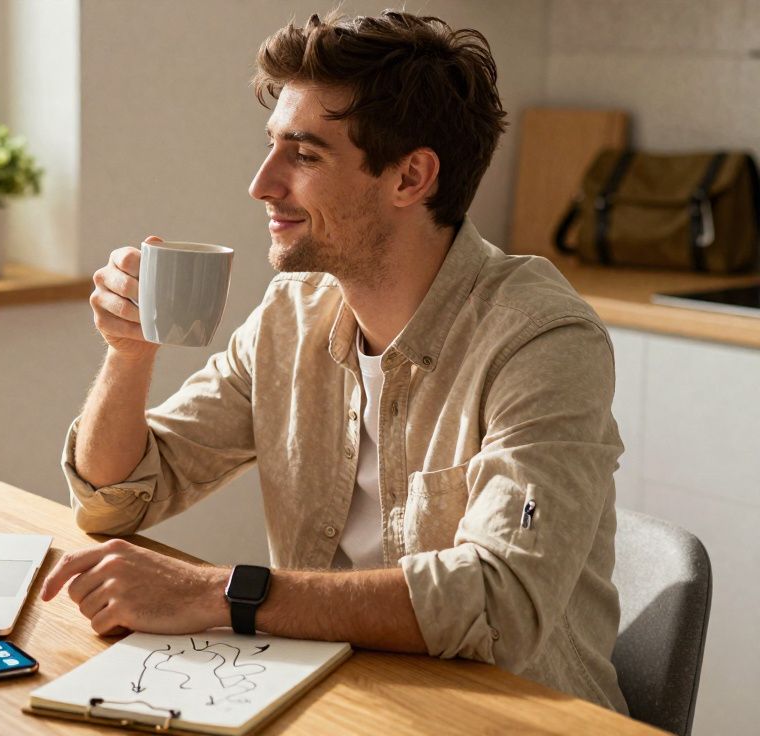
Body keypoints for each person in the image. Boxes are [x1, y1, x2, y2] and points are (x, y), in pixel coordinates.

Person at [39, 9, 628, 713]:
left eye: (305, 155)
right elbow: (115, 498)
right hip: (338, 697)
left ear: (410, 177)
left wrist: (215, 593)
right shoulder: (292, 313)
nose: (262, 183)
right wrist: (129, 355)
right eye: (271, 146)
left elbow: (500, 602)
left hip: (509, 717)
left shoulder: (541, 340)